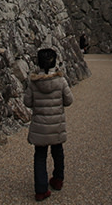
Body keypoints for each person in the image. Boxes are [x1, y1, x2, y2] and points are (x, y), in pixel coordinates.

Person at [23, 48, 74, 201]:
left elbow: (27, 102)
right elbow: (69, 100)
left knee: (40, 156)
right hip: (56, 124)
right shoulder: (60, 80)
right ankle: (58, 180)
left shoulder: (34, 82)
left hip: (40, 125)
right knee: (58, 152)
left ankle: (40, 189)